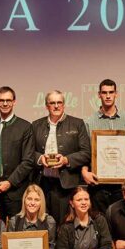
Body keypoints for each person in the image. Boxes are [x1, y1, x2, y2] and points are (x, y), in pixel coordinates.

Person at [32, 90, 91, 225]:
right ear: (47, 106)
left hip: (65, 185)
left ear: (64, 105)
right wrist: (41, 159)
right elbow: (29, 152)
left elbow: (86, 153)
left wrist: (66, 160)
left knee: (63, 225)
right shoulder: (36, 125)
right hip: (42, 183)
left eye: (59, 103)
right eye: (52, 103)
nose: (56, 106)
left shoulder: (77, 124)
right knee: (42, 223)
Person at [82, 79, 125, 214]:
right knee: (100, 222)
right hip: (98, 183)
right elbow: (85, 151)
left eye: (111, 92)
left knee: (120, 220)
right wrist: (84, 171)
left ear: (116, 94)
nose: (108, 96)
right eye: (104, 92)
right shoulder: (89, 122)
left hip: (122, 184)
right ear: (99, 95)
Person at [0, 86, 35, 220]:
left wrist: (9, 182)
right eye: (1, 100)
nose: (5, 103)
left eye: (8, 100)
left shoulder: (25, 127)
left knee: (17, 233)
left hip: (16, 191)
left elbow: (28, 161)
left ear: (14, 102)